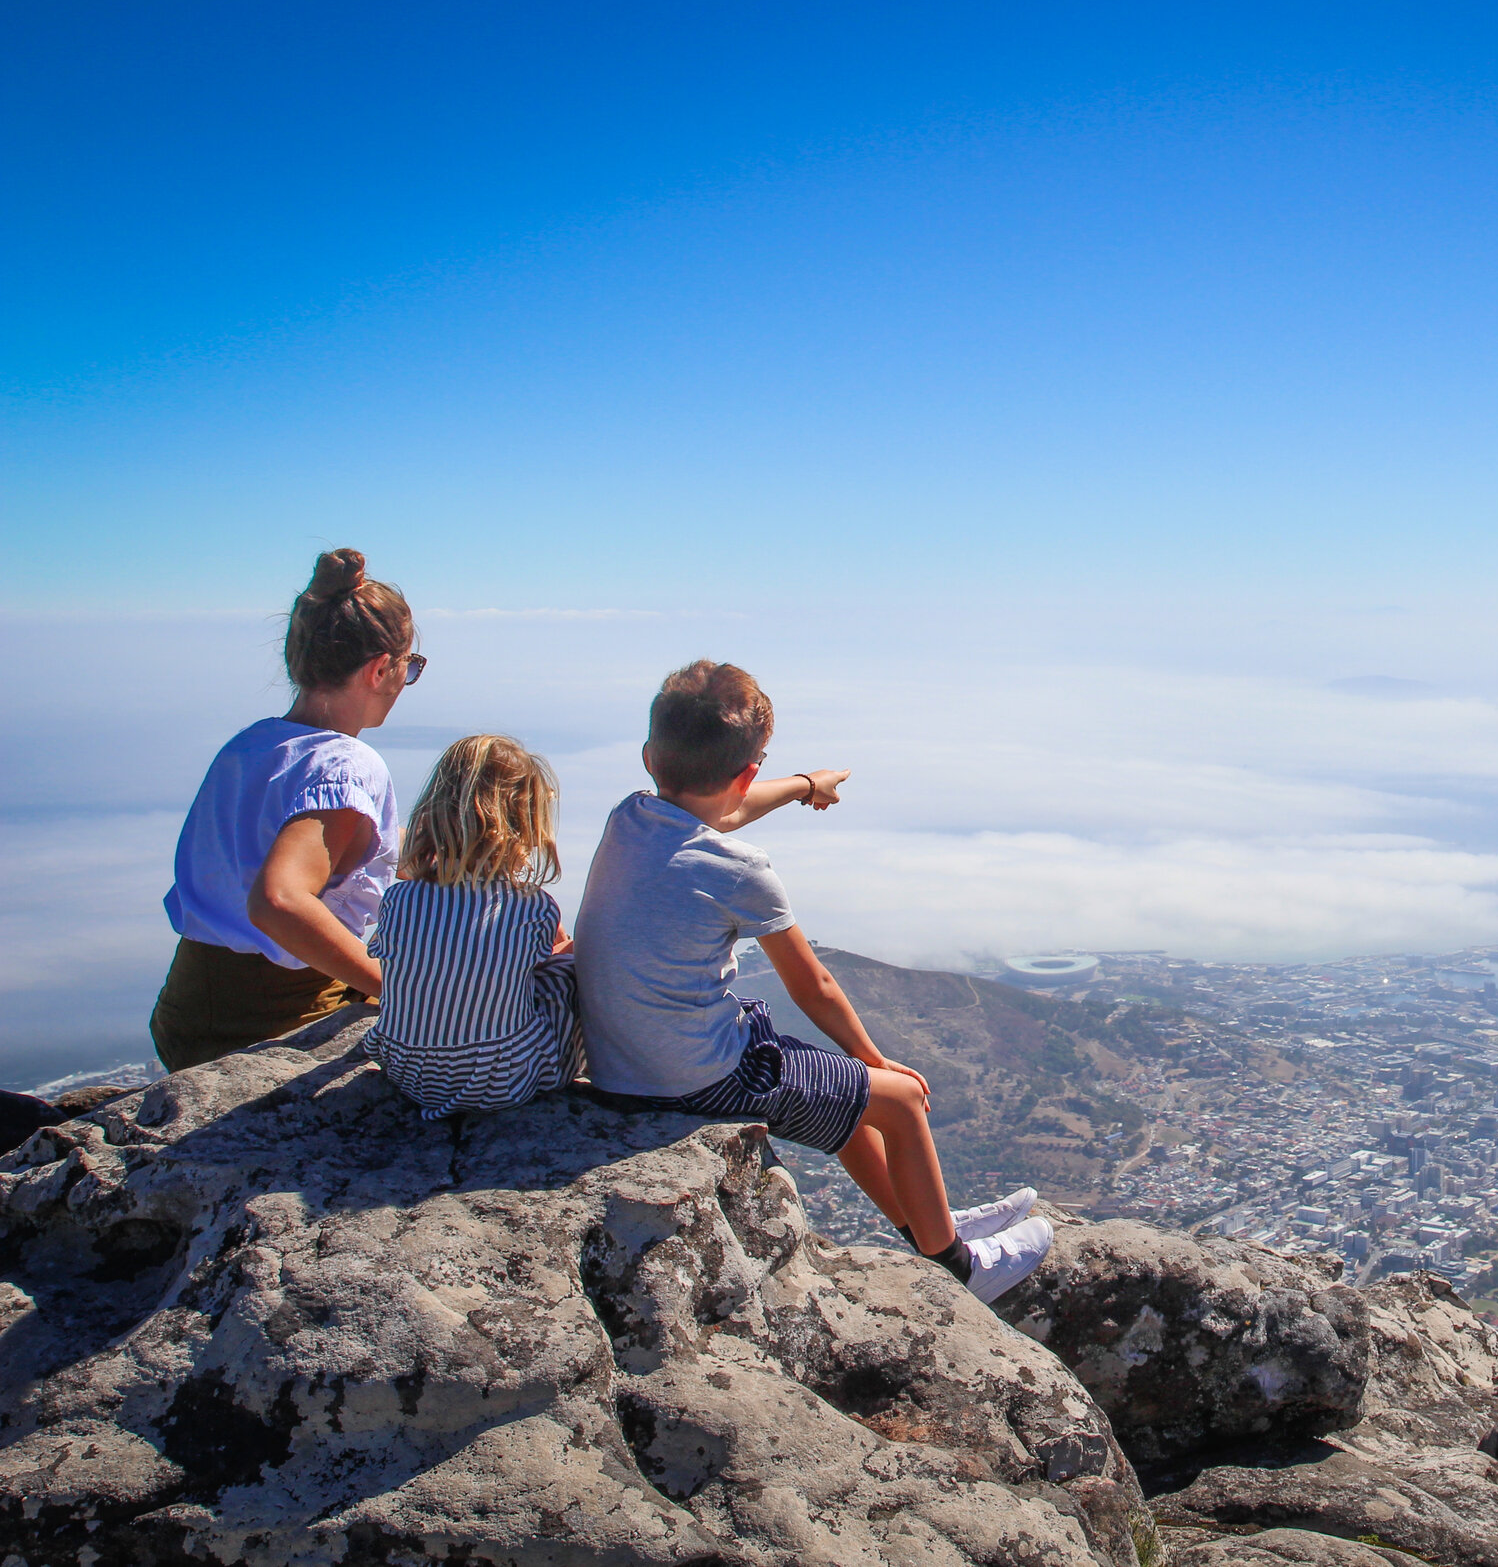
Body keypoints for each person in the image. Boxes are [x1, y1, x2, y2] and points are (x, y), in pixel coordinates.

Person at [573, 660, 1052, 1304]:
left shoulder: (628, 816)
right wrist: (877, 1061)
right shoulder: (740, 869)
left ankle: (925, 1222)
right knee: (898, 1102)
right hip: (693, 1080)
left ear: (649, 760)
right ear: (746, 772)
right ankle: (963, 1267)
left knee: (848, 1111)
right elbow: (814, 985)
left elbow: (723, 809)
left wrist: (804, 786)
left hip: (621, 1066)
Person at [154, 549, 420, 1071]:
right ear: (381, 668)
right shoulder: (347, 765)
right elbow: (277, 901)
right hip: (274, 1024)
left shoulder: (252, 744)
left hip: (184, 1013)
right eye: (410, 667)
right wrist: (390, 988)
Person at [364, 735, 584, 1117]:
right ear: (525, 823)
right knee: (569, 971)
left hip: (408, 1073)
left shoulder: (398, 900)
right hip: (504, 1081)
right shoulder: (532, 907)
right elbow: (550, 962)